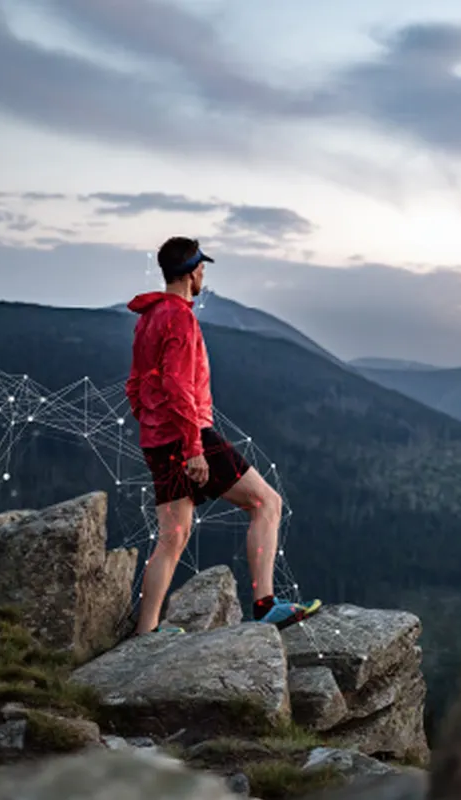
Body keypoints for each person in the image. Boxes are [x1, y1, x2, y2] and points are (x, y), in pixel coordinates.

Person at [124, 236, 321, 635]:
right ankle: (265, 605)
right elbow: (179, 387)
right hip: (188, 434)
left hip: (158, 439)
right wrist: (194, 448)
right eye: (202, 268)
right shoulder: (179, 318)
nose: (204, 275)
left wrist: (149, 421)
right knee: (267, 502)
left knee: (172, 537)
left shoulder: (148, 318)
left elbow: (134, 384)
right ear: (193, 271)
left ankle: (145, 633)